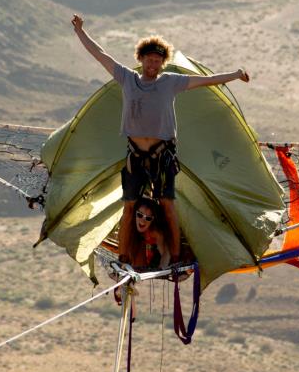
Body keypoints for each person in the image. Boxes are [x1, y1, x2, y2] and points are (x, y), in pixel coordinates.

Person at [71, 14, 250, 267]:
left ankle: (175, 259)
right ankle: (123, 258)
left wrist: (235, 74)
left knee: (167, 206)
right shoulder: (127, 78)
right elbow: (99, 54)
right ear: (141, 59)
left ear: (162, 63)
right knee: (130, 207)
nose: (152, 65)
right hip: (135, 156)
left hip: (162, 155)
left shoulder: (170, 83)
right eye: (149, 60)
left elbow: (207, 81)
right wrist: (80, 30)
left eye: (157, 61)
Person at [125, 197, 170, 270]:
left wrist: (162, 268)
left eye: (148, 218)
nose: (142, 221)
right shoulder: (130, 228)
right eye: (139, 215)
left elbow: (165, 253)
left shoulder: (155, 232)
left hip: (157, 258)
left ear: (152, 220)